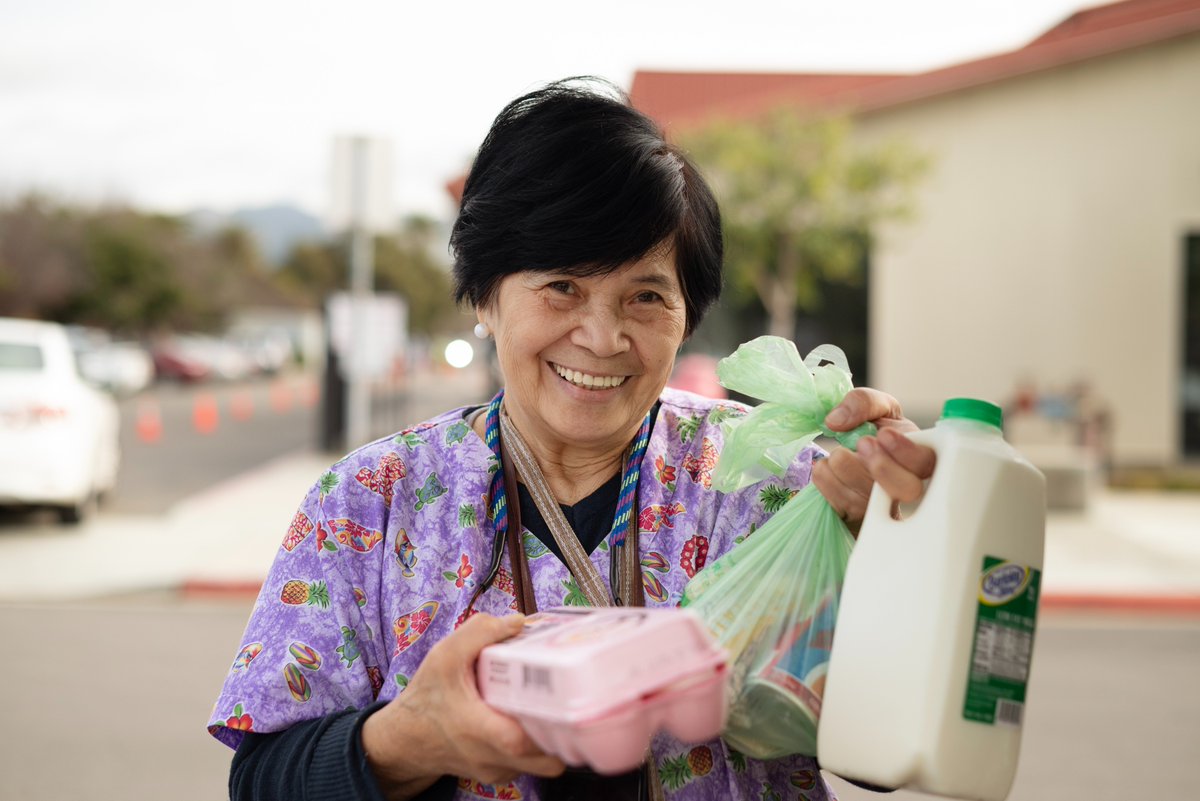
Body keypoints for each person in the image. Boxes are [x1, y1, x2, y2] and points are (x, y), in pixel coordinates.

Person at [207, 78, 935, 801]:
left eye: (646, 296)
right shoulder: (368, 504)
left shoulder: (779, 488)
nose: (602, 336)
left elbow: (882, 757)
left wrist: (896, 552)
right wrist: (409, 738)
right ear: (487, 297)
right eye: (562, 287)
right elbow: (265, 781)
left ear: (688, 316)